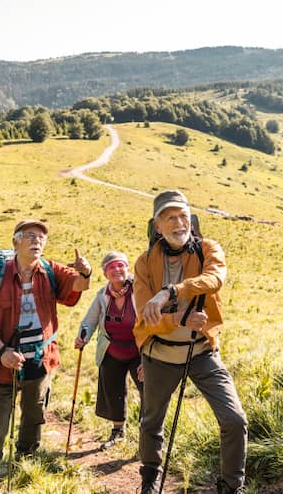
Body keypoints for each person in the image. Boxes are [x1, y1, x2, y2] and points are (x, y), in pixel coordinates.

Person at [134, 190, 248, 494]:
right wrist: (181, 319)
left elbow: (215, 280)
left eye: (183, 215)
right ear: (157, 225)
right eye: (170, 217)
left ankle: (230, 486)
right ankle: (149, 477)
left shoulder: (208, 249)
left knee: (234, 419)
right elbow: (146, 318)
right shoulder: (144, 263)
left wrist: (171, 292)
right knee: (151, 422)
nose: (179, 222)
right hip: (159, 355)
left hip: (202, 352)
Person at [0, 218, 92, 487]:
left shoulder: (50, 270)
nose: (37, 240)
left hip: (40, 358)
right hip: (2, 362)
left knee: (34, 414)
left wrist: (85, 273)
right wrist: (1, 352)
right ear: (15, 242)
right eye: (30, 236)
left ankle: (25, 458)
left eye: (41, 237)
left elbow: (79, 287)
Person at [74, 251, 144, 450]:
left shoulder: (139, 290)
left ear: (127, 268)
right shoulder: (103, 295)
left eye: (120, 265)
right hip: (112, 349)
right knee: (113, 391)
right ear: (105, 274)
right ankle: (118, 431)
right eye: (111, 267)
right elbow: (89, 320)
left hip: (139, 351)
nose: (116, 270)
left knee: (148, 391)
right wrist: (82, 337)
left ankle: (147, 434)